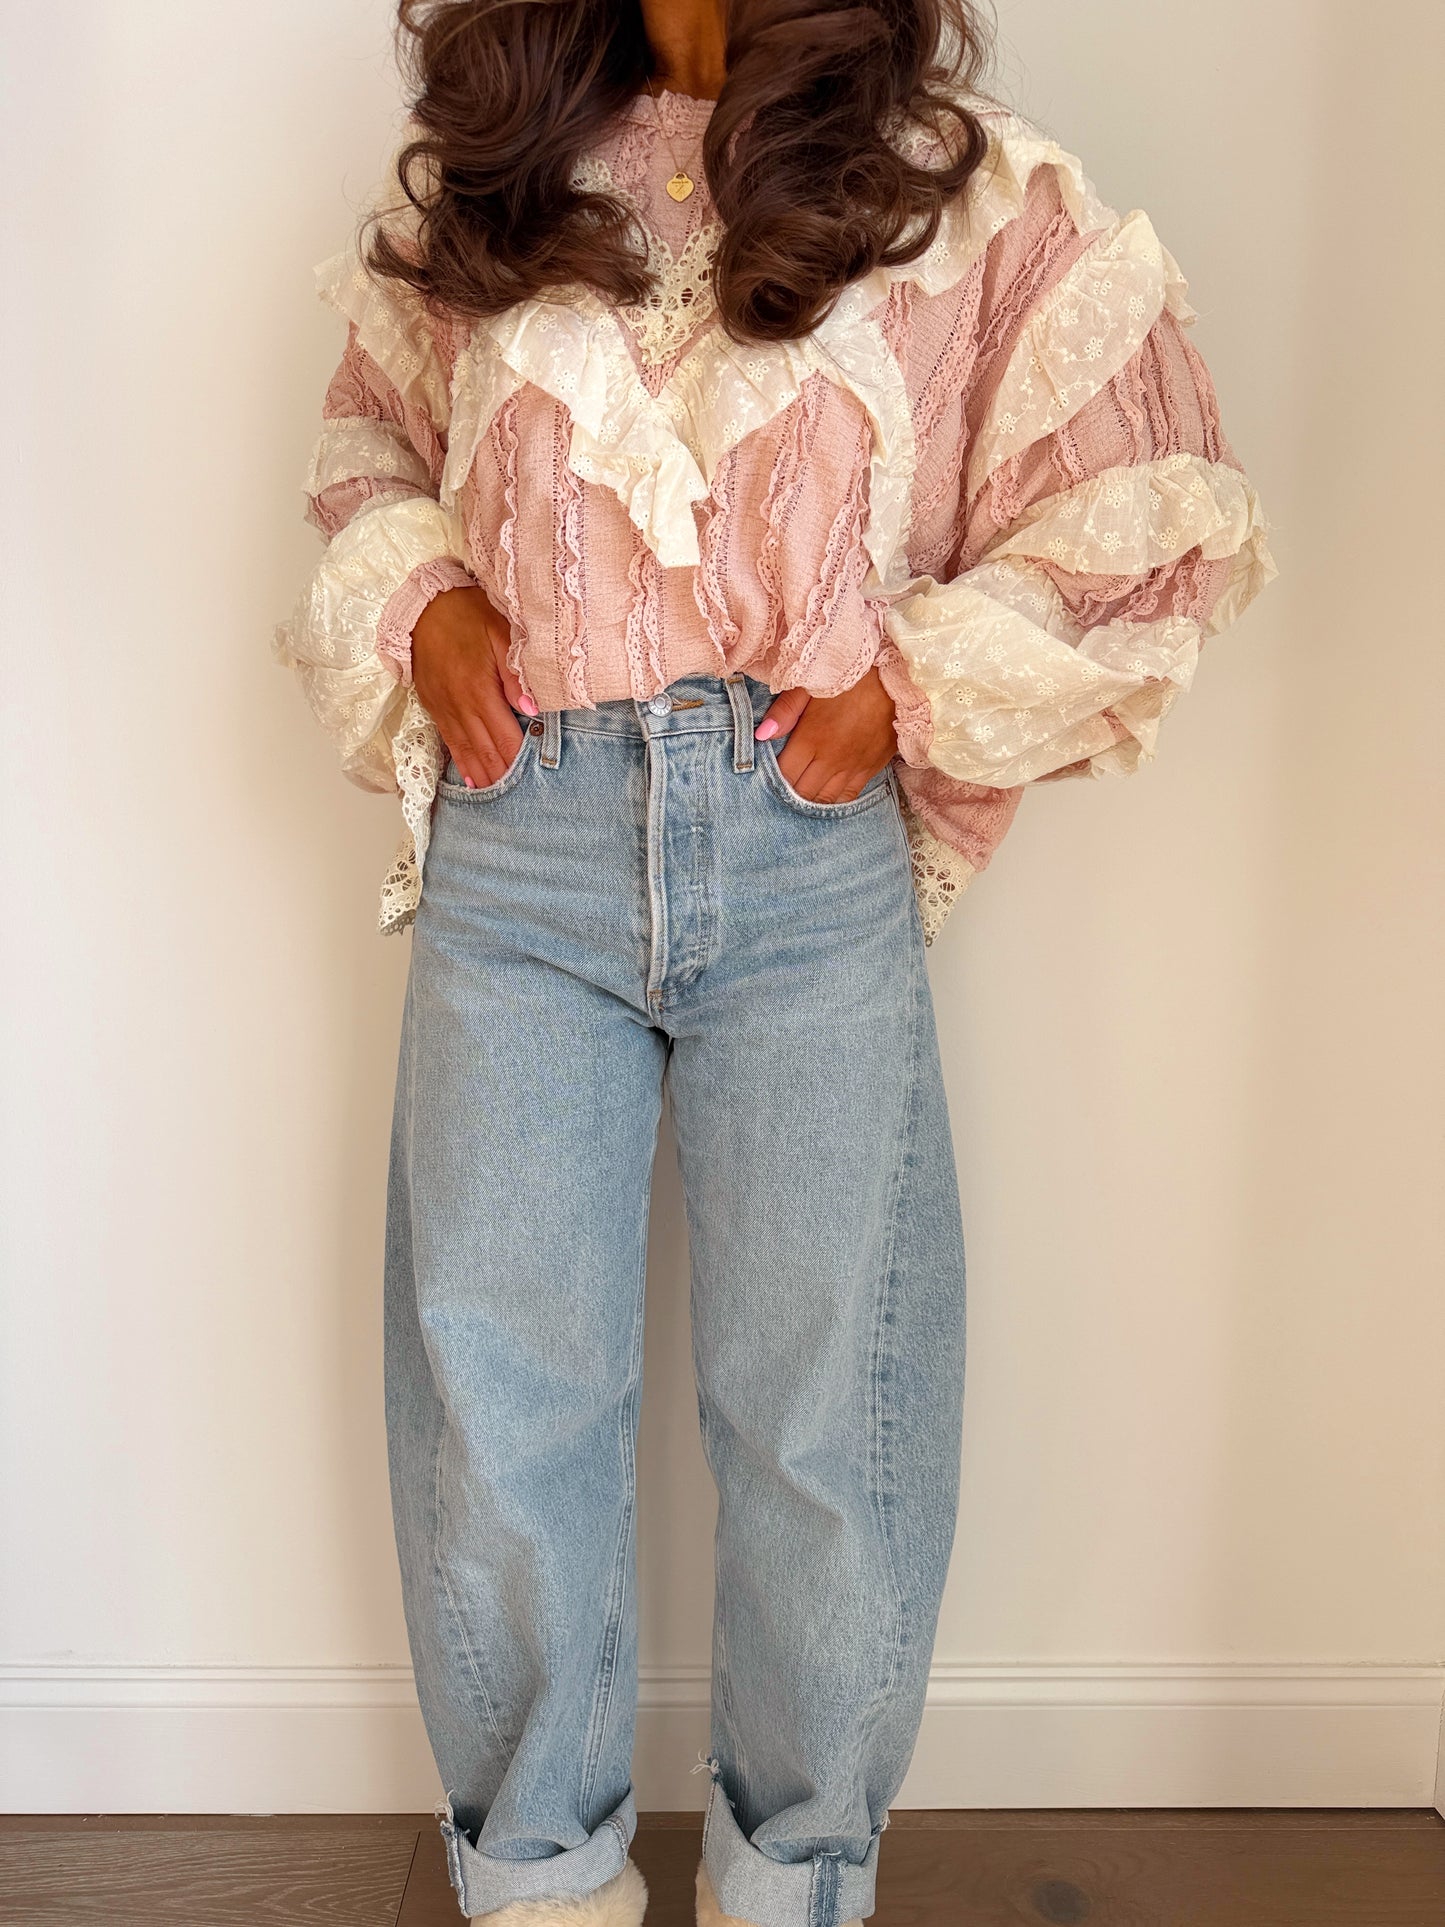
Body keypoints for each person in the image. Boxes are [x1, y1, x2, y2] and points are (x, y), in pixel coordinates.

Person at [273, 3, 1274, 1923]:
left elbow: (1148, 506)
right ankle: (538, 1886)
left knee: (833, 1404)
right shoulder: (506, 154)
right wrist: (425, 605)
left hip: (799, 848)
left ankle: (797, 1883)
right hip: (524, 832)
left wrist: (899, 693)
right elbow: (365, 453)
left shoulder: (950, 190)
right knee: (500, 1394)